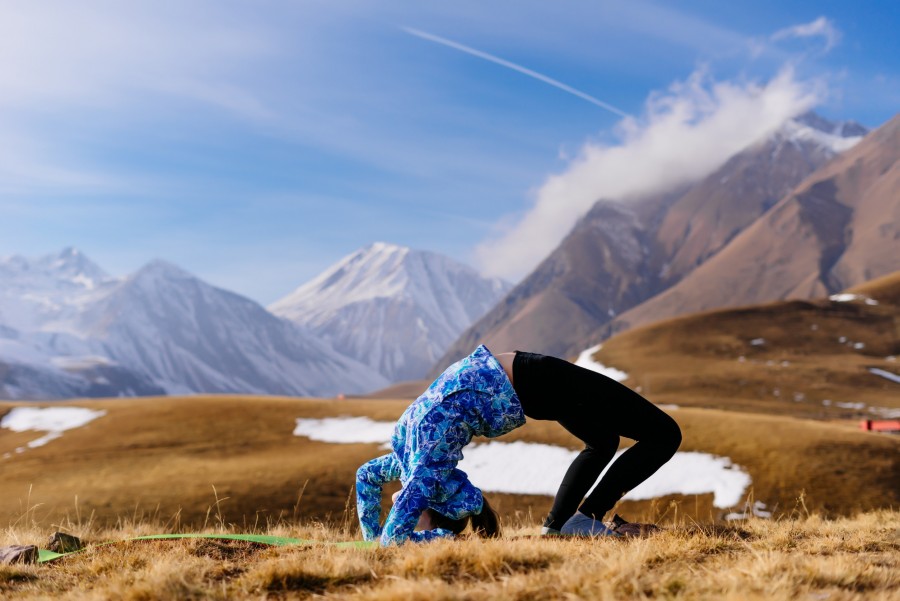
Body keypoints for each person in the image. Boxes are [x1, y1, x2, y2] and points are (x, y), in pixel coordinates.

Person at [355, 344, 681, 545]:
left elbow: (366, 477)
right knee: (665, 434)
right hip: (535, 380)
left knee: (602, 441)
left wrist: (374, 537)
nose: (400, 503)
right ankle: (582, 519)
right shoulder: (427, 469)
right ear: (435, 502)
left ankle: (560, 526)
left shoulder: (410, 461)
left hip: (528, 384)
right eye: (413, 512)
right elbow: (393, 542)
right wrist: (435, 536)